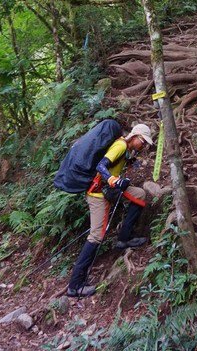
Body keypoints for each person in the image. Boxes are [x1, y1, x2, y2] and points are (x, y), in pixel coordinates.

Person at [67, 122, 154, 297]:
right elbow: (101, 165)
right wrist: (113, 180)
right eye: (143, 142)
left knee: (140, 195)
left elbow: (118, 163)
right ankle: (75, 285)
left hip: (111, 190)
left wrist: (130, 164)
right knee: (96, 236)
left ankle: (124, 239)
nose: (144, 146)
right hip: (98, 193)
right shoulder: (120, 145)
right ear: (135, 136)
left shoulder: (127, 149)